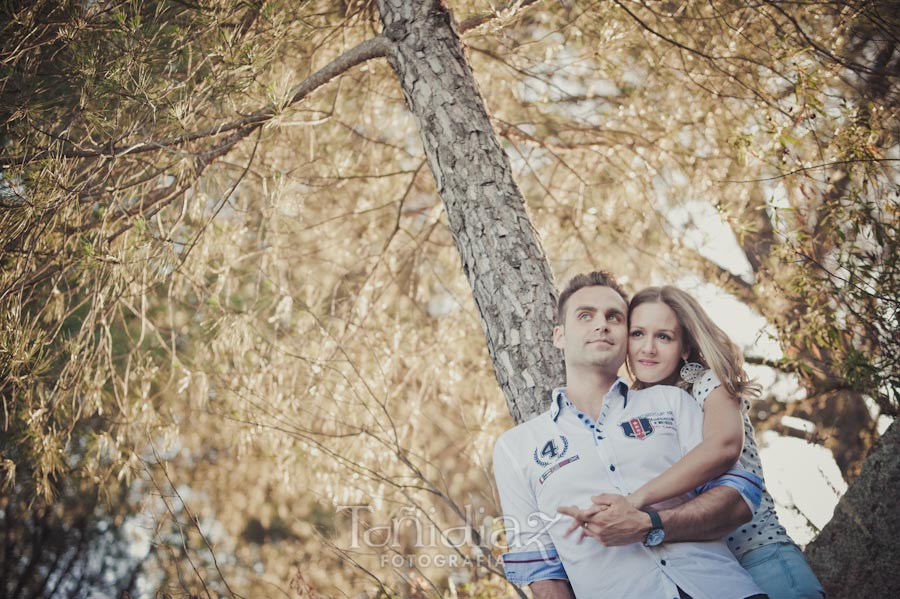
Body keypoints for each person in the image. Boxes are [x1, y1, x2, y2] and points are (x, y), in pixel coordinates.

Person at [493, 271, 768, 599]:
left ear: (626, 337)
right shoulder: (516, 447)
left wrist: (651, 524)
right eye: (585, 316)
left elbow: (737, 500)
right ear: (559, 336)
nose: (601, 324)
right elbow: (542, 570)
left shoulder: (672, 401)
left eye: (614, 316)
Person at [567, 286, 824, 599]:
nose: (648, 348)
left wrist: (636, 500)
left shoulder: (707, 382)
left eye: (664, 337)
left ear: (684, 347)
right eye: (637, 334)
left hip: (759, 554)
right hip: (704, 570)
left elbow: (724, 446)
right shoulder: (634, 405)